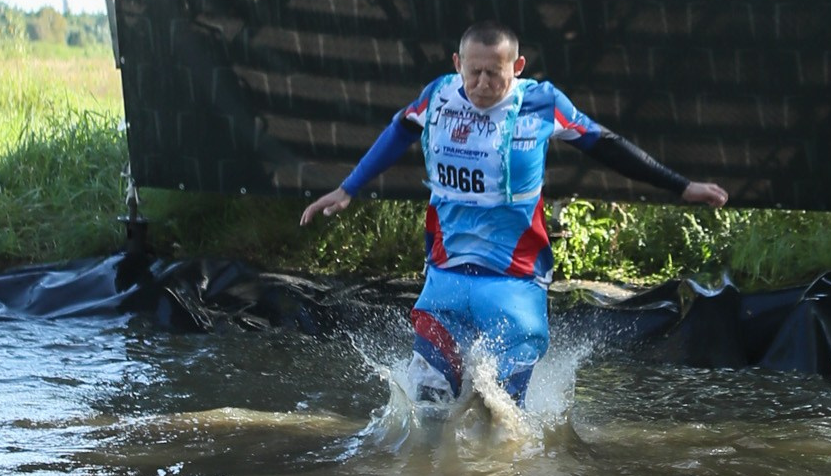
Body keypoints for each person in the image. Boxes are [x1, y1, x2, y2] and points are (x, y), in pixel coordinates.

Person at [300, 22, 728, 411]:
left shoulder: (541, 104)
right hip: (446, 281)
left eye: (495, 73)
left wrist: (682, 186)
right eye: (474, 72)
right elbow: (399, 129)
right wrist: (348, 187)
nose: (483, 84)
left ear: (517, 66)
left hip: (514, 287)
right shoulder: (438, 96)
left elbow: (607, 144)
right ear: (457, 64)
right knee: (427, 408)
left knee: (501, 415)